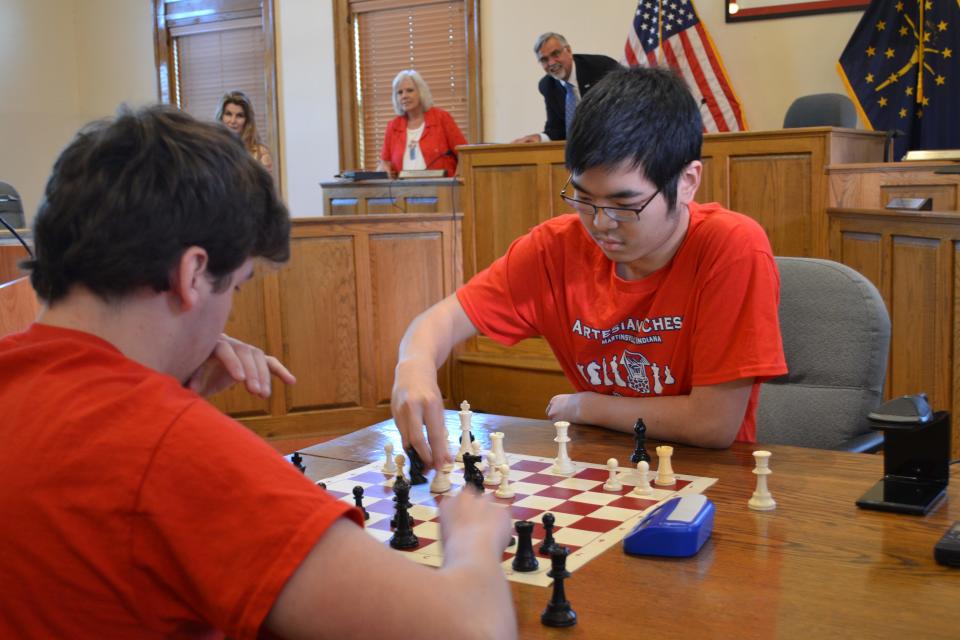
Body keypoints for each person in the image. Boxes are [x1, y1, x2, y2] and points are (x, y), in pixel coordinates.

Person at [0, 105, 515, 639]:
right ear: (193, 273)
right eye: (239, 285)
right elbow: (471, 630)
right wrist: (473, 543)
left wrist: (172, 383)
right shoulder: (170, 449)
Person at [392, 67, 787, 470]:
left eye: (623, 204)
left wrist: (584, 406)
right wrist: (414, 365)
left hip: (707, 479)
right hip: (598, 469)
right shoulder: (555, 249)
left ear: (686, 182)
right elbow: (442, 319)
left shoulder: (732, 248)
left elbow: (712, 424)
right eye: (583, 198)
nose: (600, 224)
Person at [513, 32, 620, 144]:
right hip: (578, 153)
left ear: (568, 51)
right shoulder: (547, 86)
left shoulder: (602, 68)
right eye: (544, 59)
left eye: (555, 54)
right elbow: (557, 129)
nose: (551, 63)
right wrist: (539, 138)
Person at [376, 70, 467, 178]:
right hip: (403, 192)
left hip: (442, 191)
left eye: (409, 90)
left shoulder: (442, 118)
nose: (404, 96)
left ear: (421, 92)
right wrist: (384, 168)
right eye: (399, 92)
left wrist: (457, 183)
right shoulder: (393, 126)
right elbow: (384, 163)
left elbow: (464, 155)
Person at [215, 90, 274, 174]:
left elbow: (267, 186)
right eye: (228, 114)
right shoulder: (212, 150)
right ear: (221, 117)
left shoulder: (261, 154)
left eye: (239, 115)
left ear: (247, 120)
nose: (233, 121)